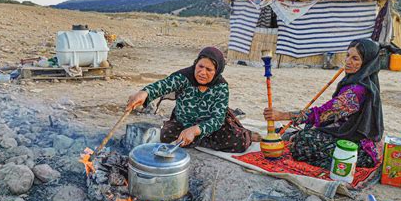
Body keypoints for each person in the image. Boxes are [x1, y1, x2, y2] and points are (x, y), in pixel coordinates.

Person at [263, 39, 384, 168]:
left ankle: (338, 164)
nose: (348, 61)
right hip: (347, 131)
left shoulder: (357, 91)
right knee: (310, 126)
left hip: (360, 149)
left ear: (366, 63)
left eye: (355, 59)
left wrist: (282, 115)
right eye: (348, 55)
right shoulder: (355, 81)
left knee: (303, 140)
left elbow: (322, 113)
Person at [126, 47, 259, 152]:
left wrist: (195, 130)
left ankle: (246, 134)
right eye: (200, 66)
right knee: (163, 135)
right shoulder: (184, 77)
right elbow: (164, 85)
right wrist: (144, 93)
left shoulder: (221, 87)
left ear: (217, 71)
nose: (202, 72)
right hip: (183, 124)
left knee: (238, 142)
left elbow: (218, 119)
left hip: (209, 127)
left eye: (209, 69)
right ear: (195, 64)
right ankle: (196, 140)